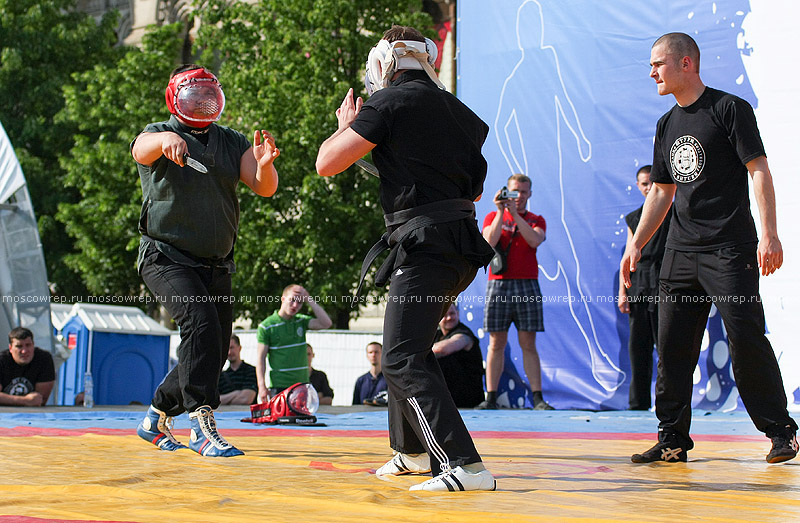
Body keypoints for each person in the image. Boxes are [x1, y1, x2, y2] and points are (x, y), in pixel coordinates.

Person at [316, 25, 496, 491]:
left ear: (384, 64)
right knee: (405, 344)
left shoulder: (387, 104)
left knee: (399, 356)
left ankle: (464, 465)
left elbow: (326, 162)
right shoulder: (463, 114)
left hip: (425, 245)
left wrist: (345, 127)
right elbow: (473, 188)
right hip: (458, 245)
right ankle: (411, 451)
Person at [622, 33, 798, 464]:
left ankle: (781, 432)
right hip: (679, 253)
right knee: (673, 346)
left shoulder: (729, 109)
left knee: (745, 338)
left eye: (657, 64)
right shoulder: (666, 124)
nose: (651, 73)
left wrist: (770, 233)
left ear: (686, 64)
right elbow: (662, 192)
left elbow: (759, 171)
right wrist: (636, 244)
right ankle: (672, 439)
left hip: (729, 250)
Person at [132, 64, 280, 457]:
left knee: (211, 349)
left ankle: (156, 415)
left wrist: (264, 166)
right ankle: (201, 423)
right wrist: (164, 138)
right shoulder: (157, 133)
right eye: (194, 94)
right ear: (176, 98)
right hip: (166, 256)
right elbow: (140, 150)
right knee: (198, 325)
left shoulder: (230, 141)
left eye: (208, 94)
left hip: (215, 262)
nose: (202, 101)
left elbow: (264, 188)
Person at [479, 173, 552, 411]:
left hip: (527, 284)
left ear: (529, 194)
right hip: (498, 284)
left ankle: (538, 398)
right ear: (506, 192)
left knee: (528, 343)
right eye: (513, 191)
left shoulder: (536, 219)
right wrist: (502, 211)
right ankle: (490, 397)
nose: (518, 196)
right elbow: (488, 242)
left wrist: (517, 216)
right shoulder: (493, 215)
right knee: (495, 342)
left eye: (522, 192)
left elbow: (534, 241)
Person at [618, 165, 671, 410]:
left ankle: (668, 403)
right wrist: (623, 292)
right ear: (638, 187)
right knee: (638, 349)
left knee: (667, 347)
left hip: (665, 285)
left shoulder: (673, 211)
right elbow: (628, 256)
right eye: (643, 183)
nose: (648, 187)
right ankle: (637, 403)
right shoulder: (634, 218)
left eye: (651, 182)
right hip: (638, 287)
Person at [255, 284, 332, 403]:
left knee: (303, 421)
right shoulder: (266, 326)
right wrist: (261, 386)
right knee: (280, 420)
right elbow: (261, 359)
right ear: (283, 298)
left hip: (302, 385)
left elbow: (326, 323)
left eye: (300, 302)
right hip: (279, 386)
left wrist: (309, 300)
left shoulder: (301, 321)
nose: (295, 305)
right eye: (292, 300)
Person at [432, 303, 485, 408]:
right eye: (445, 315)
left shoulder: (464, 333)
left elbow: (442, 349)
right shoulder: (437, 335)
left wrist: (417, 353)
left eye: (452, 313)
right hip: (448, 397)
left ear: (458, 314)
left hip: (468, 397)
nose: (449, 318)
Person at [0, 327, 55, 407]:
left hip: (33, 414)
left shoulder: (43, 359)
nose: (24, 351)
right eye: (19, 346)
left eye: (28, 345)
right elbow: (31, 401)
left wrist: (7, 399)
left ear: (33, 345)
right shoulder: (2, 361)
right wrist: (25, 401)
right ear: (10, 348)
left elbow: (39, 400)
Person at [218, 334, 258, 405]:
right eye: (227, 349)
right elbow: (216, 401)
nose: (229, 352)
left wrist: (226, 400)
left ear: (239, 348)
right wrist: (236, 393)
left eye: (232, 348)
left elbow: (246, 399)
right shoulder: (220, 376)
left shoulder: (251, 371)